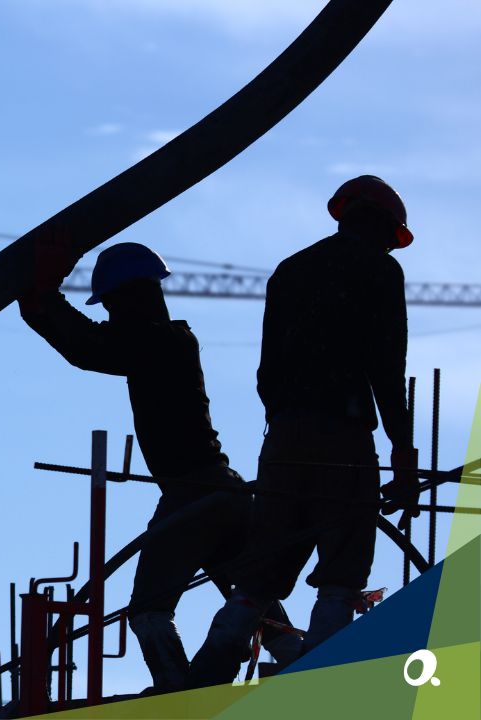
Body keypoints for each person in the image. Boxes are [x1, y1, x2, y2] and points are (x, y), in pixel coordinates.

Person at [18, 239, 298, 694]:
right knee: (249, 596)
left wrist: (45, 299)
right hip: (224, 493)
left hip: (194, 494)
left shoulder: (158, 343)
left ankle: (175, 688)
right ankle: (300, 660)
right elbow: (89, 346)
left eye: (111, 304)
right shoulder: (168, 341)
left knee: (148, 609)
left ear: (130, 297)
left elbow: (89, 348)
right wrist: (41, 311)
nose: (108, 314)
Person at [187, 175, 420, 687]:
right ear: (382, 226)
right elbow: (387, 365)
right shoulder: (379, 270)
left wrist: (290, 427)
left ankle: (202, 678)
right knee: (343, 568)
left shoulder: (289, 271)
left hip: (284, 440)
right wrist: (402, 452)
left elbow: (266, 374)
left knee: (261, 568)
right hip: (344, 436)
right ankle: (322, 684)